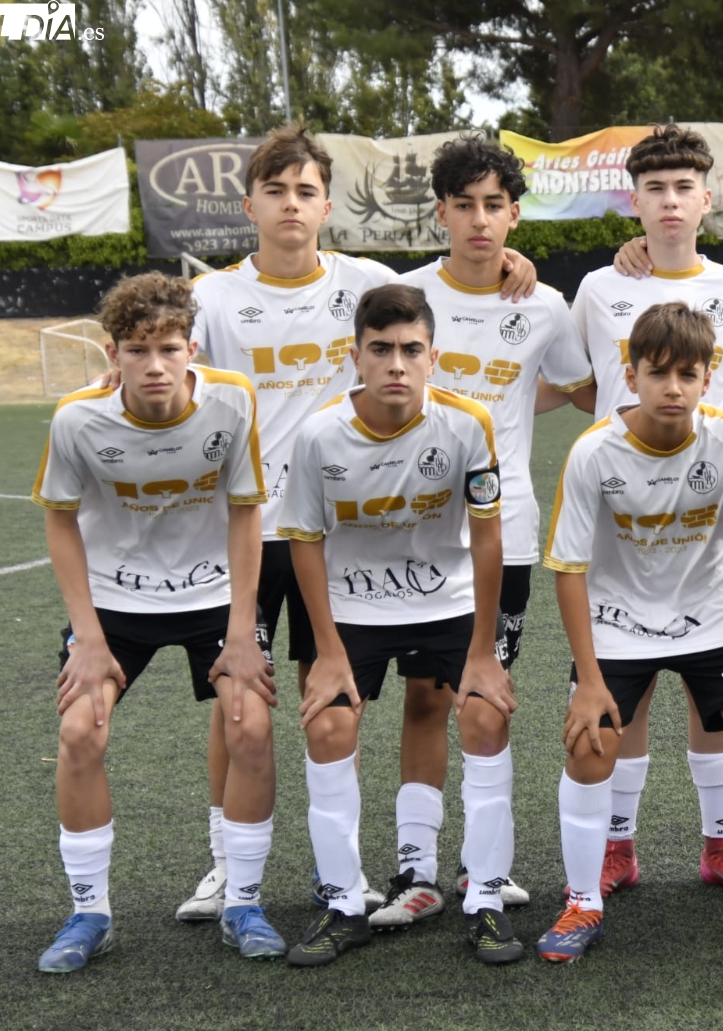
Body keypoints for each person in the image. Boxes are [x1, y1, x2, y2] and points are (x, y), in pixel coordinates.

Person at [177, 123, 536, 921]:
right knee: (238, 700)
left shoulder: (369, 279)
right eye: (275, 191)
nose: (291, 204)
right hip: (248, 529)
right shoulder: (213, 298)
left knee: (349, 700)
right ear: (249, 205)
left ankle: (377, 865)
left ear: (327, 205)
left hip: (339, 539)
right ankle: (224, 862)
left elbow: (447, 285)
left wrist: (511, 262)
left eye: (306, 191)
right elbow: (165, 362)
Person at [569, 124, 723, 898]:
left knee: (715, 699)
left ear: (706, 199)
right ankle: (617, 845)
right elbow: (583, 386)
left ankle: (720, 843)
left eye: (683, 188)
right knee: (627, 693)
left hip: (709, 518)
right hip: (620, 521)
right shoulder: (598, 289)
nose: (669, 201)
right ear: (633, 202)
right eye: (655, 189)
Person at [535, 301, 723, 961]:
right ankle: (583, 903)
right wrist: (589, 682)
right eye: (658, 373)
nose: (673, 388)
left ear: (708, 378)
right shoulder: (593, 452)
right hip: (618, 623)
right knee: (590, 744)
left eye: (688, 374)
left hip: (715, 615)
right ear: (630, 376)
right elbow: (569, 571)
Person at [371, 135, 593, 926]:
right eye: (463, 205)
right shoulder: (404, 297)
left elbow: (578, 387)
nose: (478, 220)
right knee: (425, 697)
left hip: (507, 533)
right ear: (441, 212)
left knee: (485, 698)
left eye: (493, 205)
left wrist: (507, 409)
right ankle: (415, 869)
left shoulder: (544, 305)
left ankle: (480, 867)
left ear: (514, 215)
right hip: (412, 535)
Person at [32, 273, 280, 972]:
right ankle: (89, 913)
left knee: (250, 725)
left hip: (213, 595)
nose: (154, 365)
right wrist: (87, 637)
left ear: (191, 349)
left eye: (169, 348)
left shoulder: (233, 398)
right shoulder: (77, 417)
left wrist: (242, 631)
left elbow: (246, 511)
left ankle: (244, 903)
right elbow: (60, 522)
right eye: (137, 350)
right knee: (80, 731)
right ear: (112, 354)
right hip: (116, 601)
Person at [278, 283, 522, 966]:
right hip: (353, 610)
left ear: (432, 357)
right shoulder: (319, 433)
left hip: (447, 605)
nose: (396, 364)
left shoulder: (467, 424)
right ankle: (342, 904)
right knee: (328, 727)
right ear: (355, 357)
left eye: (411, 350)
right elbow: (304, 541)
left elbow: (488, 539)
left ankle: (485, 899)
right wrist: (327, 653)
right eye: (380, 349)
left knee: (485, 717)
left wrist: (483, 652)